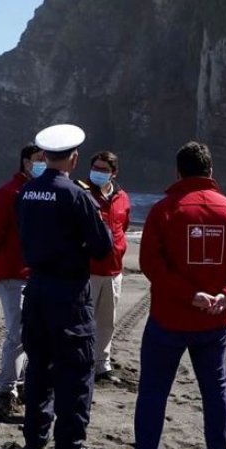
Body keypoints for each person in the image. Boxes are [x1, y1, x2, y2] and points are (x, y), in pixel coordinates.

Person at [121, 141, 226, 449]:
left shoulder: (165, 209)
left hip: (169, 318)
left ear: (178, 171)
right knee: (215, 391)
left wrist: (190, 295)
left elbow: (151, 264)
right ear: (211, 171)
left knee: (154, 390)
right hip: (214, 321)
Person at [17, 123, 114, 449]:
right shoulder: (76, 195)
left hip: (37, 288)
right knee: (75, 368)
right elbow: (103, 247)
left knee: (38, 365)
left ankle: (35, 437)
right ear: (73, 158)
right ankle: (70, 445)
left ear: (44, 156)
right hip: (69, 291)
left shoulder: (28, 192)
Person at [0, 143, 44, 422]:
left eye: (46, 159)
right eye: (38, 159)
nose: (42, 164)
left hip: (37, 274)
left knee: (37, 334)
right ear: (25, 162)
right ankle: (6, 392)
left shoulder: (44, 193)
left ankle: (25, 385)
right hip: (12, 273)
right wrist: (5, 261)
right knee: (17, 333)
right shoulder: (8, 193)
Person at [86, 151, 132, 384]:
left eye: (104, 169)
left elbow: (123, 225)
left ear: (114, 173)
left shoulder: (122, 197)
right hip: (87, 270)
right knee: (84, 320)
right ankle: (80, 362)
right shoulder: (81, 193)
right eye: (96, 167)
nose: (99, 172)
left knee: (107, 320)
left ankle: (102, 365)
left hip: (114, 270)